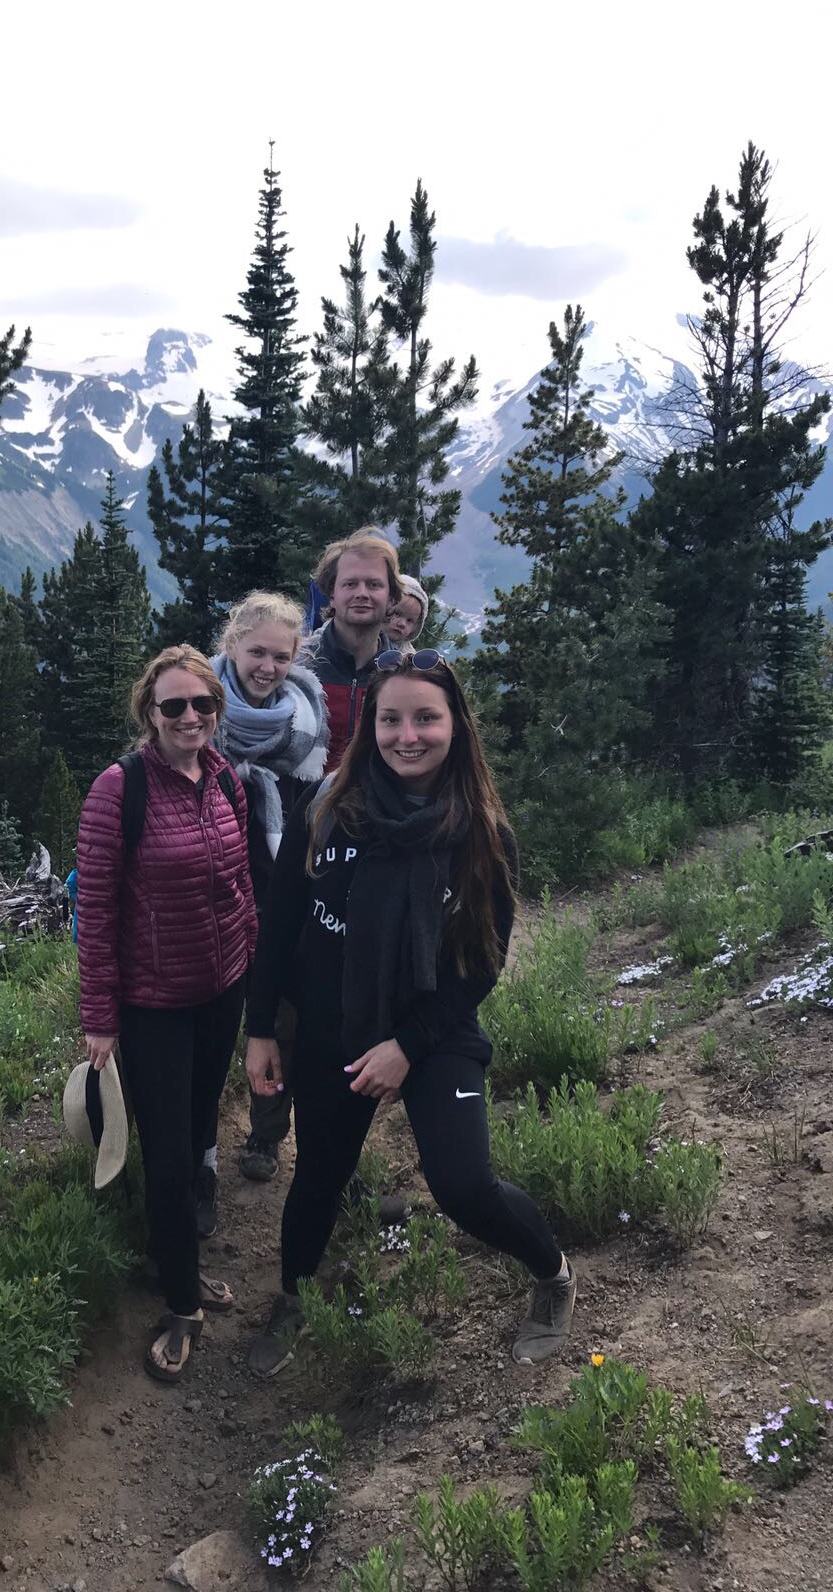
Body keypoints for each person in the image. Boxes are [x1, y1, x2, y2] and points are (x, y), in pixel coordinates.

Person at [243, 648, 576, 1376]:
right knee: (319, 1176)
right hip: (332, 1023)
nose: (407, 736)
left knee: (463, 1186)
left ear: (456, 725)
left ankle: (552, 1274)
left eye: (426, 718)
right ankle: (295, 1298)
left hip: (433, 1027)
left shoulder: (481, 835)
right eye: (390, 719)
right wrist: (261, 1027)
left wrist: (407, 1045)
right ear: (371, 725)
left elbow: (481, 965)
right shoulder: (326, 810)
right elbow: (280, 927)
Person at [76, 646, 257, 1382]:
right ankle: (181, 1301)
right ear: (149, 713)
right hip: (154, 1006)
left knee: (197, 1127)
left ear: (217, 710)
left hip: (222, 991)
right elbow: (95, 911)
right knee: (171, 1153)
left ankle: (173, 1256)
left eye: (201, 704)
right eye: (173, 705)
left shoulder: (223, 778)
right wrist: (100, 1018)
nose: (189, 716)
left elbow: (241, 884)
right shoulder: (119, 789)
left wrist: (252, 960)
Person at [191, 591, 329, 1210]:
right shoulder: (195, 715)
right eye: (257, 653)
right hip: (212, 904)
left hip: (284, 899)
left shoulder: (308, 723)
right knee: (211, 1027)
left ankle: (267, 1134)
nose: (268, 666)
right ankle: (196, 1149)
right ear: (231, 646)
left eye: (281, 655)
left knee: (282, 1021)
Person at [299, 529, 403, 769]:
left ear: (391, 597)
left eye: (374, 584)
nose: (362, 593)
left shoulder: (403, 674)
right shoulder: (298, 665)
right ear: (332, 594)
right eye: (350, 584)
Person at [386, 573, 431, 653]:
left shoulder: (408, 654)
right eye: (397, 614)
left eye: (409, 620)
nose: (402, 624)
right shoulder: (365, 636)